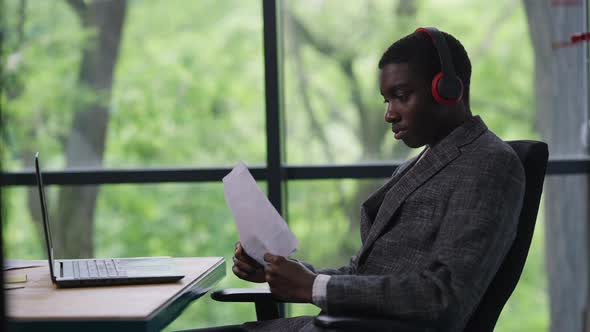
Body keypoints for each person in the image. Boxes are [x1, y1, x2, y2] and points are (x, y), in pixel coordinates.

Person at [187, 28, 525, 332]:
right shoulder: (417, 165)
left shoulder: (489, 164)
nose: (389, 113)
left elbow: (443, 296)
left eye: (402, 95)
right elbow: (365, 275)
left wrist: (313, 287)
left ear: (449, 90)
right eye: (386, 99)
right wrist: (285, 273)